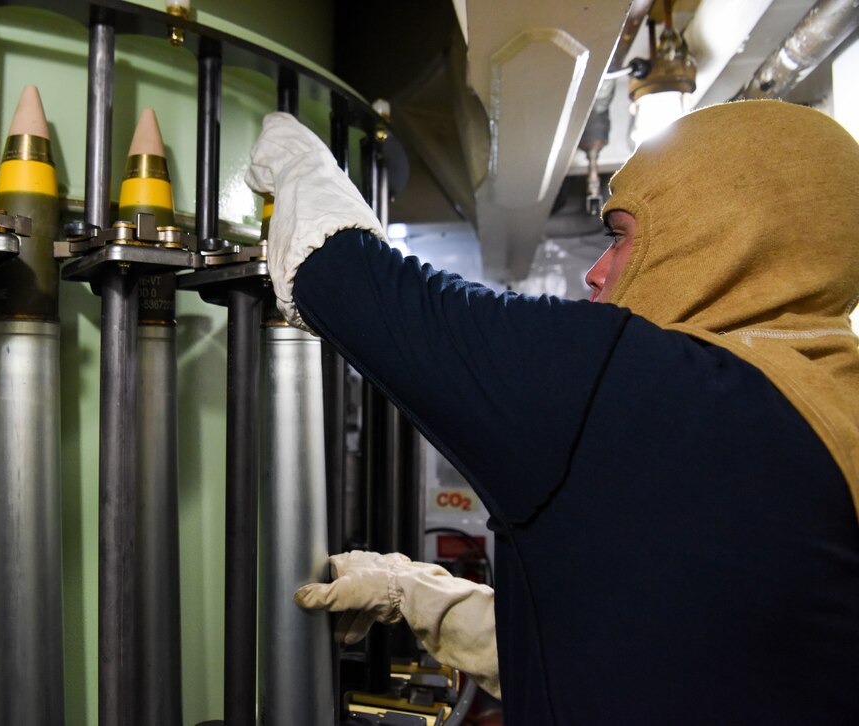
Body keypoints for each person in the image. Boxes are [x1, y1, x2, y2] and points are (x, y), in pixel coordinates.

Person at [245, 100, 859, 724]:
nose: (595, 273)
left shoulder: (632, 380)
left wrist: (300, 163)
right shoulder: (829, 399)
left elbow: (341, 278)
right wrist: (426, 600)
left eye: (620, 236)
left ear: (719, 238)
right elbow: (665, 655)